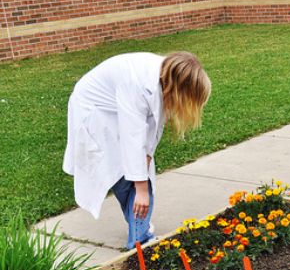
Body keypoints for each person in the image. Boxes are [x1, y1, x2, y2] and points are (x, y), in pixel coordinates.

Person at [63, 52, 211, 249]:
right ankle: (139, 243)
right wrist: (141, 189)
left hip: (115, 110)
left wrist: (148, 155)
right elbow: (132, 137)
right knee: (128, 180)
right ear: (179, 87)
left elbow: (155, 123)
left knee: (138, 174)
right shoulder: (136, 82)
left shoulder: (163, 77)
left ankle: (140, 235)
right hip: (95, 112)